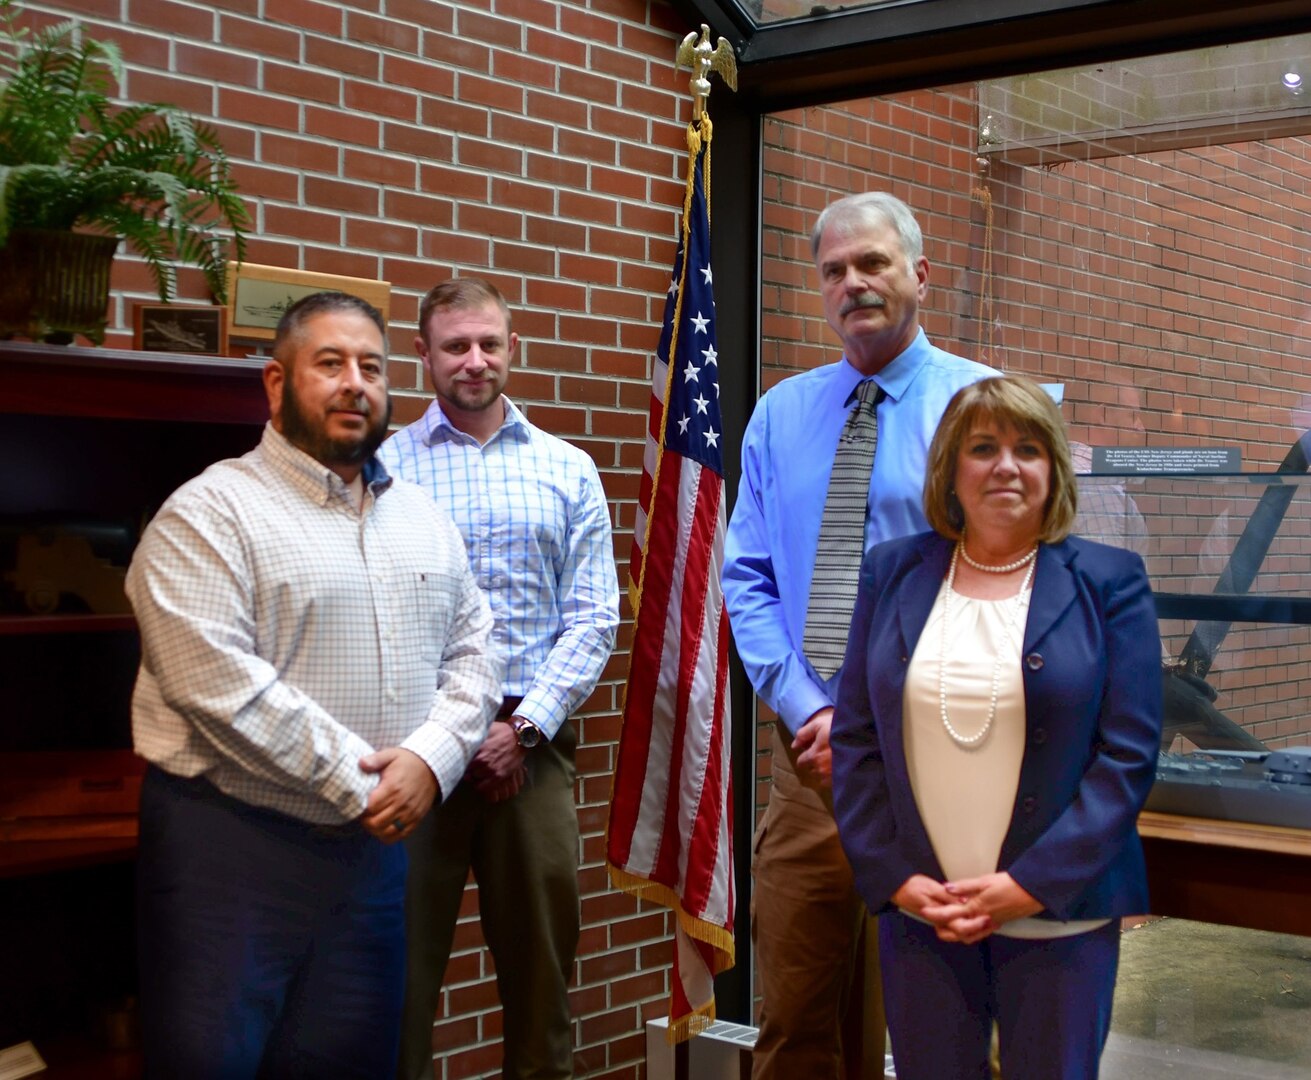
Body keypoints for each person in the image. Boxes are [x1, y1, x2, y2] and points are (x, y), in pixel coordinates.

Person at [126, 291, 503, 1078]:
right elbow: (217, 685)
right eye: (328, 364)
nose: (354, 383)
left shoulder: (424, 521)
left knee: (354, 1063)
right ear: (275, 383)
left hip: (371, 864)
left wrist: (431, 758)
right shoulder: (207, 514)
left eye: (370, 365)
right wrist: (365, 783)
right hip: (231, 850)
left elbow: (477, 653)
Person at [722, 191, 995, 1079]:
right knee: (794, 1015)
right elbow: (747, 577)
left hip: (939, 759)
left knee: (941, 1020)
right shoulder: (781, 413)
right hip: (809, 761)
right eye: (834, 269)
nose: (853, 284)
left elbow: (1004, 586)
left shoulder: (981, 408)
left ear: (919, 273)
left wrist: (876, 718)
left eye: (872, 263)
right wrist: (808, 707)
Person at [830, 374, 1163, 1079]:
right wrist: (895, 878)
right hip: (923, 916)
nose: (1006, 466)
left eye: (1028, 448)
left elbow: (1126, 756)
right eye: (982, 447)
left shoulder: (1109, 582)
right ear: (952, 468)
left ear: (1053, 470)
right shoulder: (891, 572)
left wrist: (1027, 885)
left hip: (1059, 917)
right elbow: (856, 740)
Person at [380, 278, 620, 1080]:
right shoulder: (380, 466)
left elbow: (592, 618)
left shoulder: (567, 469)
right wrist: (446, 737)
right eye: (455, 346)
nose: (474, 361)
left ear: (511, 347)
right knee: (397, 978)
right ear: (422, 355)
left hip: (530, 747)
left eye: (489, 343)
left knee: (541, 977)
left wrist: (522, 730)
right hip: (412, 747)